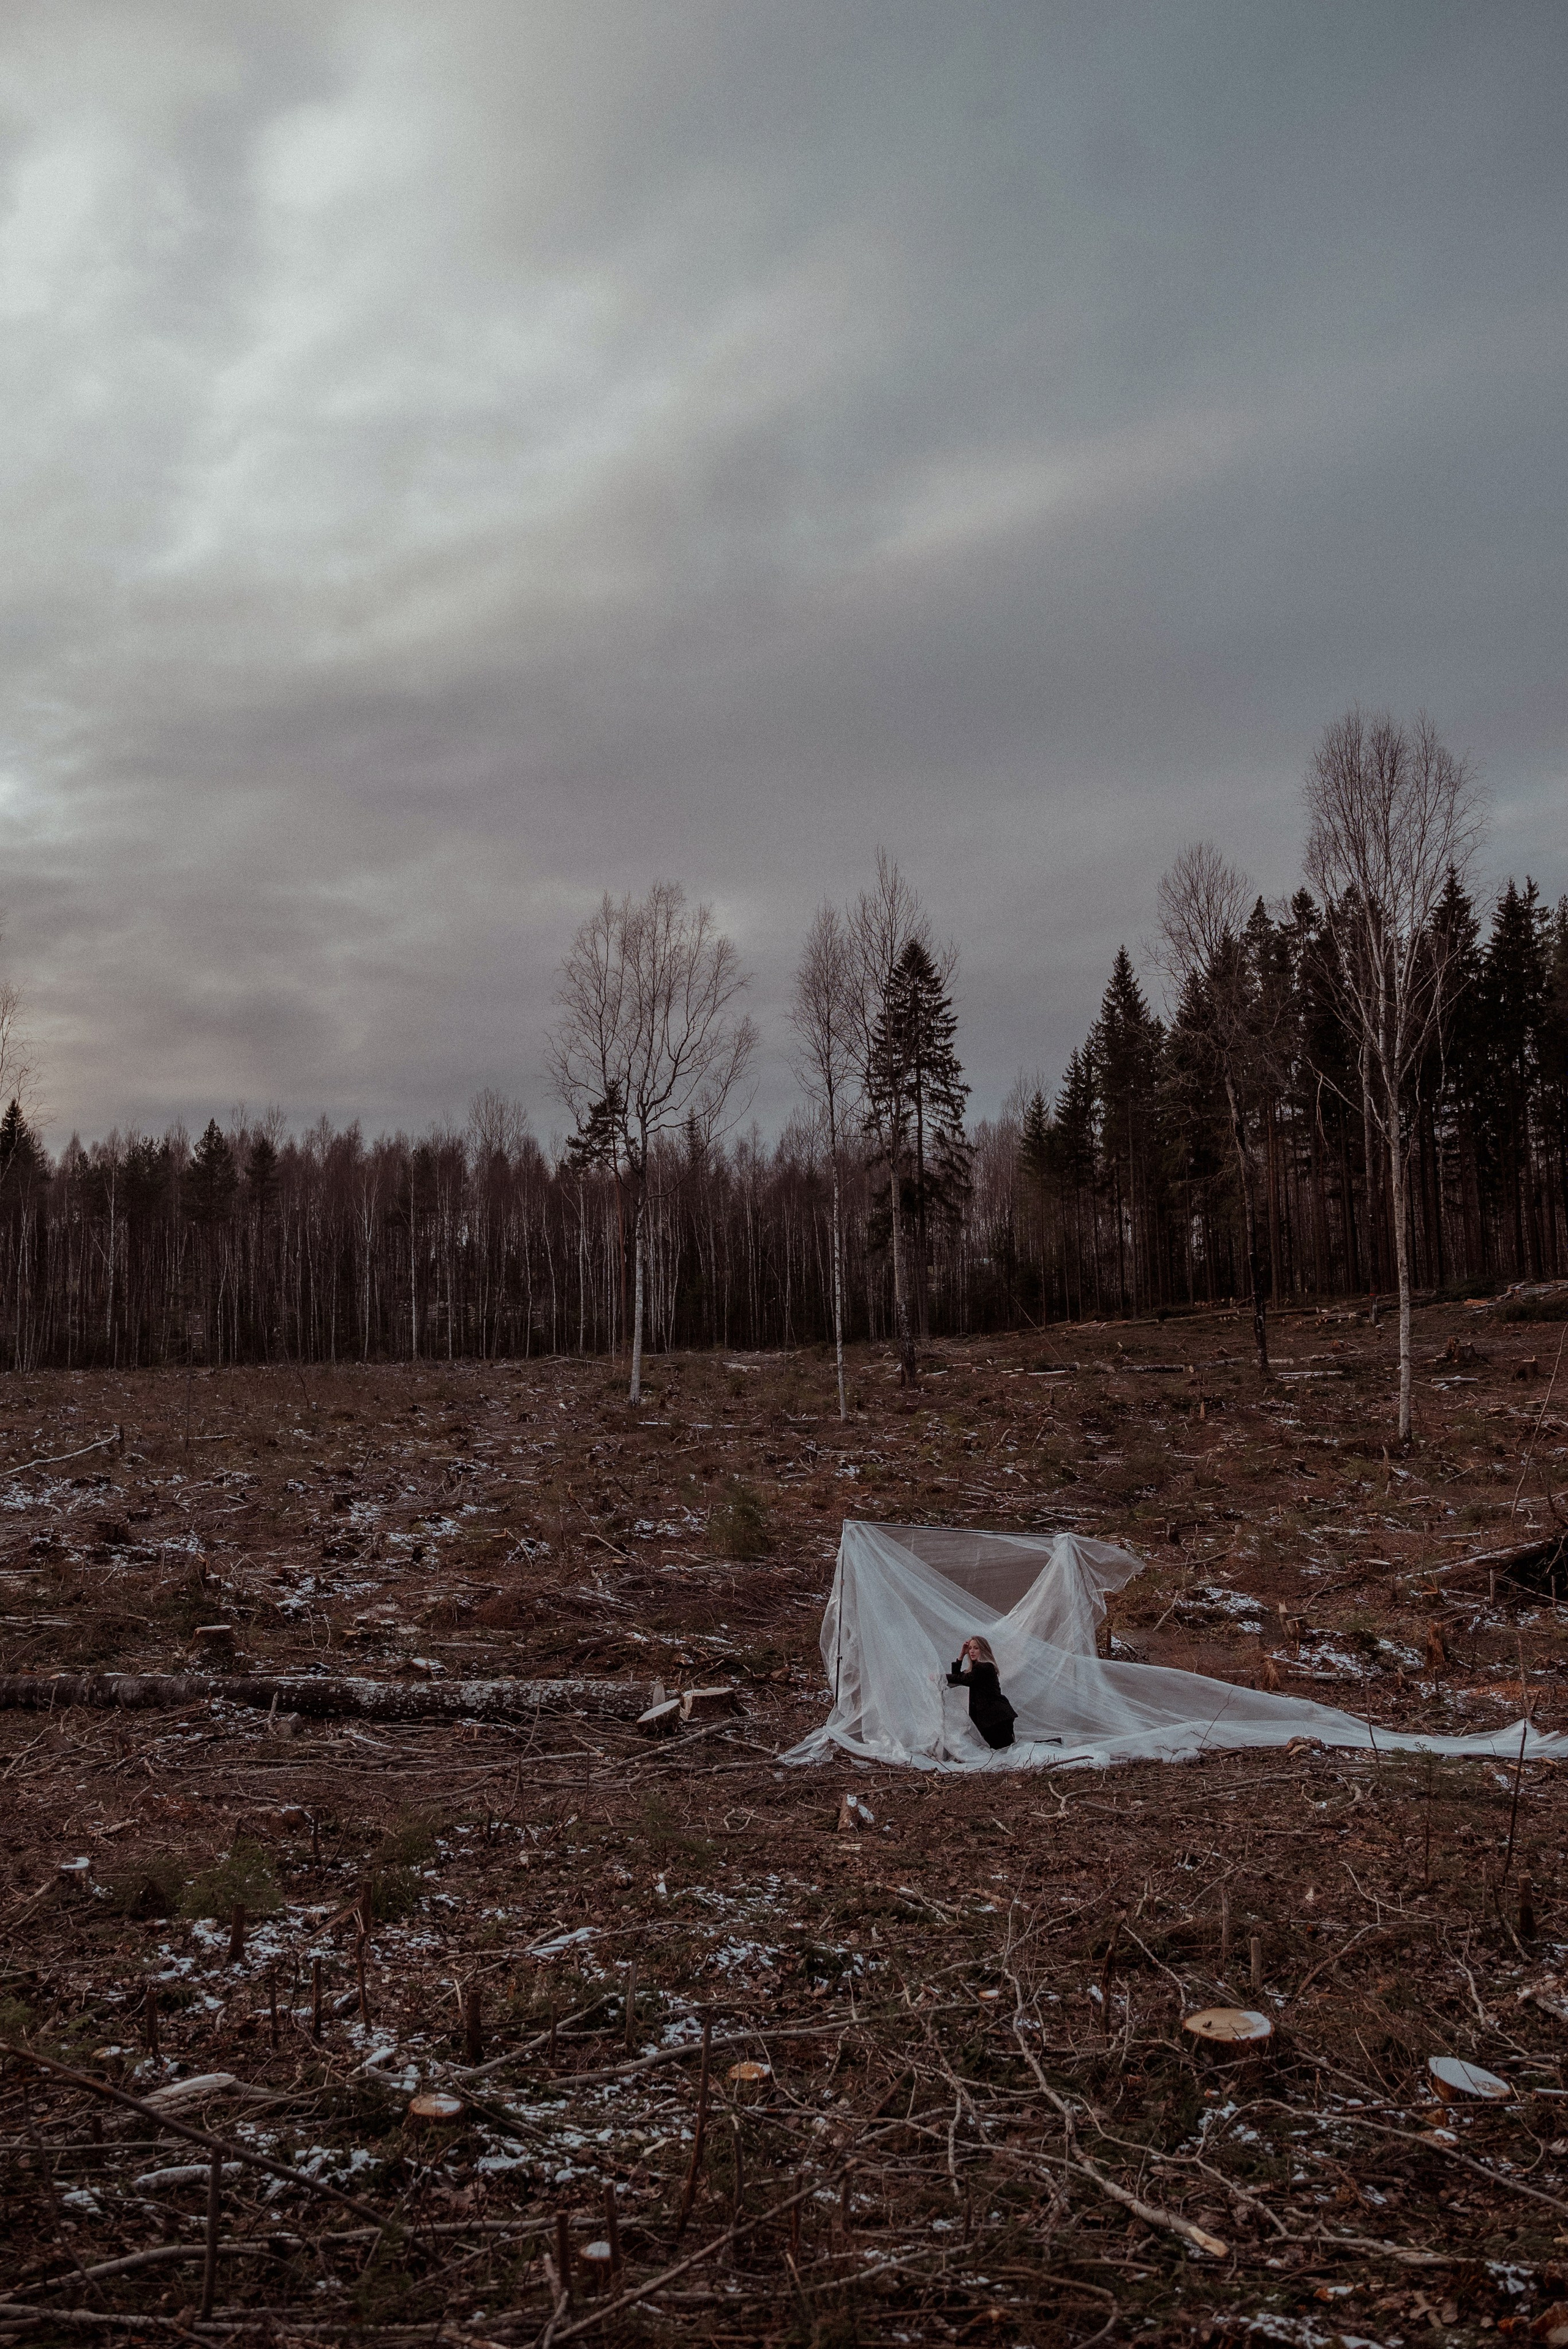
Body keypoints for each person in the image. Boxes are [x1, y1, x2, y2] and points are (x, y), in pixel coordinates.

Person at [948, 1634, 1016, 1749]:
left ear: (983, 1650)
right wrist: (962, 1655)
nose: (972, 1651)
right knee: (1001, 1751)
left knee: (1004, 1751)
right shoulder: (977, 1669)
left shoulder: (984, 1667)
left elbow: (962, 1679)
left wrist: (940, 1677)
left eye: (976, 1648)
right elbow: (957, 1676)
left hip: (996, 1719)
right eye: (970, 1648)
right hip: (990, 1720)